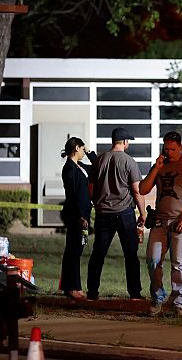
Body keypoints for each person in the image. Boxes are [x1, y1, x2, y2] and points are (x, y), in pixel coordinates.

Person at [140, 131, 182, 317]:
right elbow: (143, 189)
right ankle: (158, 298)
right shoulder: (160, 164)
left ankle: (178, 302)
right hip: (159, 222)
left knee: (179, 263)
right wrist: (155, 168)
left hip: (180, 223)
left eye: (173, 149)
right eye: (166, 148)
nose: (169, 152)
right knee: (153, 260)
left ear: (181, 147)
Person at [86, 127, 146, 300]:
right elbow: (136, 190)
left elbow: (91, 187)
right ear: (125, 142)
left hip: (103, 213)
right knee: (130, 254)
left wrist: (96, 203)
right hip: (125, 213)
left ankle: (92, 292)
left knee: (98, 253)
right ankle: (134, 293)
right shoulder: (129, 162)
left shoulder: (99, 161)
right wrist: (143, 213)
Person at [59, 137, 96, 300]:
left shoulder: (79, 167)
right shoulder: (69, 169)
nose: (83, 152)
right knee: (73, 250)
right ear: (76, 149)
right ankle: (72, 287)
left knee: (77, 249)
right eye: (82, 149)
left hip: (83, 214)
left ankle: (72, 286)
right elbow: (73, 195)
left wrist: (89, 152)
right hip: (76, 216)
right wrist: (79, 216)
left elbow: (97, 166)